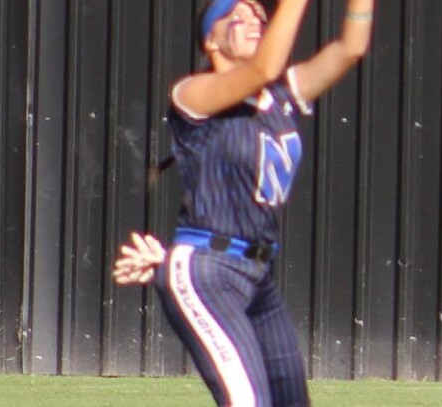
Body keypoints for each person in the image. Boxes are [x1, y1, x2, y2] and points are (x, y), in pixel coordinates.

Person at [113, 0, 375, 405]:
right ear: (210, 40)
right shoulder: (192, 95)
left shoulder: (281, 97)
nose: (254, 22)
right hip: (206, 271)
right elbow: (262, 69)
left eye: (259, 17)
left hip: (256, 273)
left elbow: (350, 48)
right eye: (239, 17)